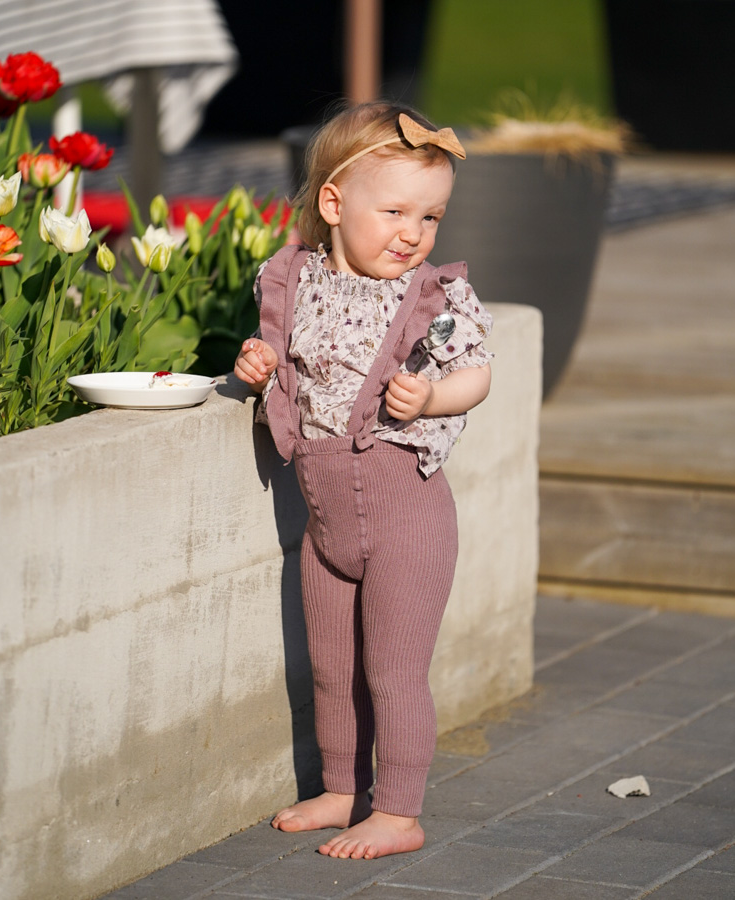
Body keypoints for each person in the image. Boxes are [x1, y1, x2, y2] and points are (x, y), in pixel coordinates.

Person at [234, 101, 493, 861]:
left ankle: (399, 810)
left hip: (405, 513)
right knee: (332, 668)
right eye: (394, 212)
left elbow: (474, 375)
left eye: (431, 217)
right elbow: (279, 354)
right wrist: (255, 365)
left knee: (392, 671)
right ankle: (341, 790)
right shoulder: (292, 278)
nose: (412, 233)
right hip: (325, 522)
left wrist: (433, 396)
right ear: (334, 204)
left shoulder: (433, 298)